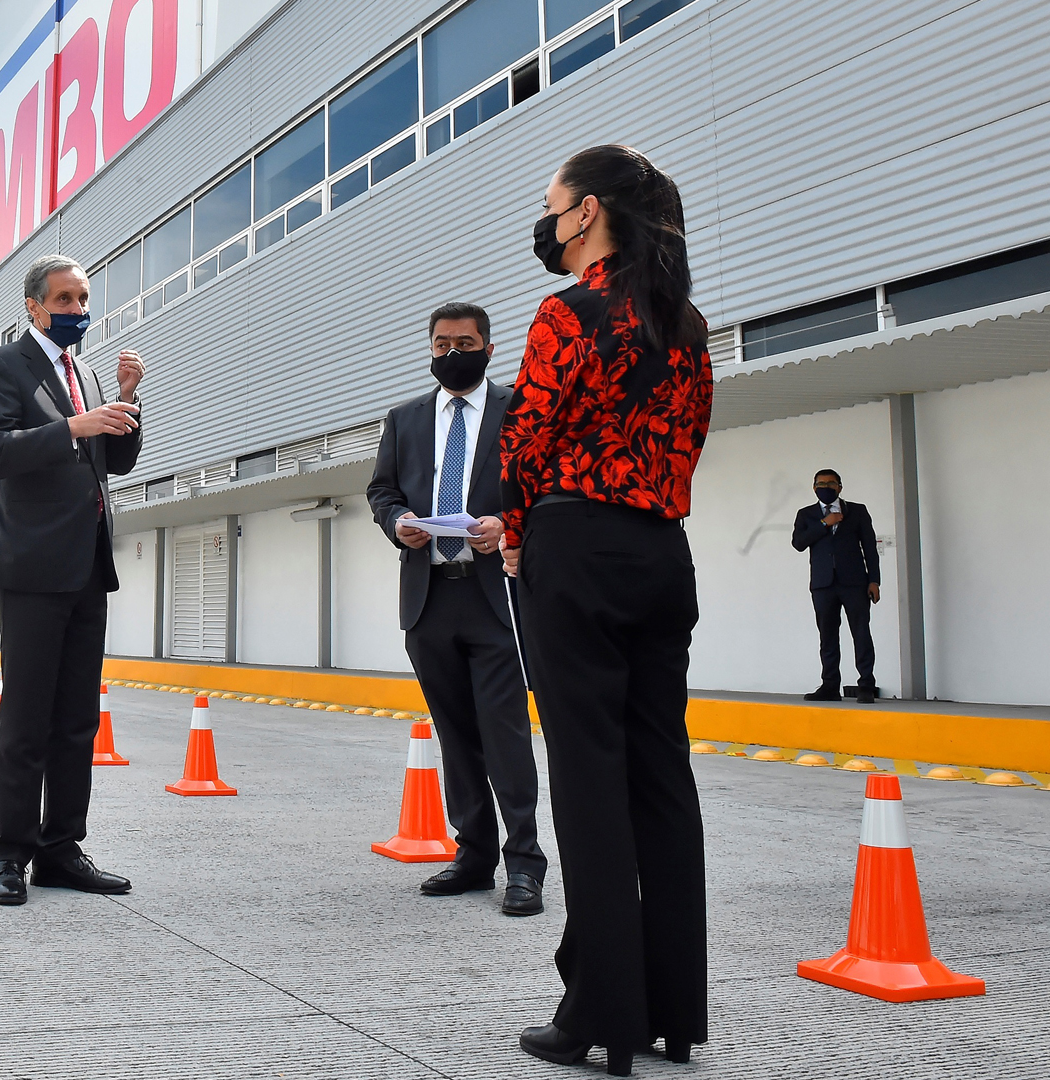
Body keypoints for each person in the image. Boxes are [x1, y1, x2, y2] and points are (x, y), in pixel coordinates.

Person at [498, 145, 714, 1076]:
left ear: (586, 214)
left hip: (576, 548)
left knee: (586, 777)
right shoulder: (686, 320)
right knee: (661, 774)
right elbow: (690, 438)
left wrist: (512, 529)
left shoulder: (569, 311)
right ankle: (672, 1011)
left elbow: (527, 436)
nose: (546, 222)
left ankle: (599, 1014)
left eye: (552, 207)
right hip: (662, 554)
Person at [0, 254, 142, 907]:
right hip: (33, 564)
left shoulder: (89, 374)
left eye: (84, 298)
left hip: (88, 563)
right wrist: (72, 424)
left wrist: (125, 400)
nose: (79, 310)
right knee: (27, 716)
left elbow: (114, 460)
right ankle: (11, 855)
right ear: (34, 307)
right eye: (66, 300)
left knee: (77, 718)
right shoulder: (2, 366)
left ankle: (61, 848)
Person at [367, 301, 546, 917]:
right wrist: (399, 523)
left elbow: (540, 484)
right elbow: (381, 489)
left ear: (489, 349)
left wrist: (507, 523)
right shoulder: (406, 418)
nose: (450, 353)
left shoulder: (517, 409)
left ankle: (525, 863)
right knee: (456, 734)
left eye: (463, 343)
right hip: (429, 597)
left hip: (493, 595)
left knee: (504, 731)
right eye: (441, 343)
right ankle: (474, 856)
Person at [792, 470, 881, 703]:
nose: (826, 486)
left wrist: (874, 580)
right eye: (821, 483)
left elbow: (870, 548)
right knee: (828, 636)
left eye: (831, 483)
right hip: (823, 585)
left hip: (854, 583)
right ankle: (830, 685)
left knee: (861, 633)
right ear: (814, 488)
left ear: (840, 487)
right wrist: (824, 523)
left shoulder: (857, 511)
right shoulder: (806, 514)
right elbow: (798, 543)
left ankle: (866, 685)